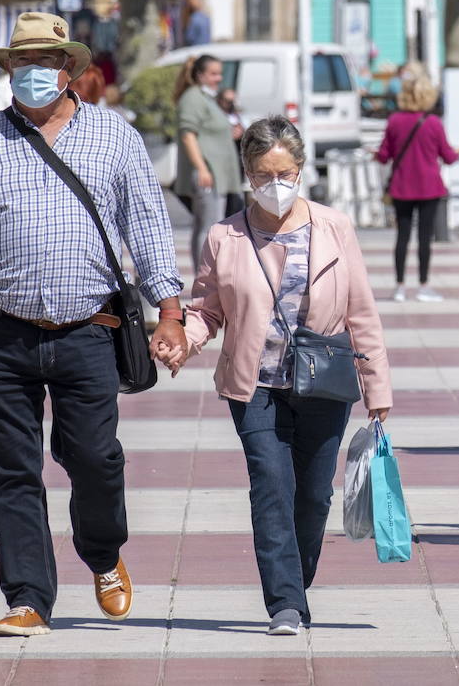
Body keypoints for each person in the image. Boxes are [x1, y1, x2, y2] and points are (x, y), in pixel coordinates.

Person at [0, 11, 186, 636]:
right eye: (22, 63)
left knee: (94, 458)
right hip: (0, 331)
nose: (34, 74)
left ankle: (103, 552)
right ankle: (28, 597)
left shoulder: (115, 138)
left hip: (91, 328)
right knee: (11, 468)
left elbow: (148, 227)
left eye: (46, 63)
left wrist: (169, 311)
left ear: (70, 71)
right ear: (10, 72)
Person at [164, 115, 392, 635]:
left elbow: (361, 310)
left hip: (325, 381)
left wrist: (378, 388)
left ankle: (296, 582)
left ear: (301, 168)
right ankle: (285, 604)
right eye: (263, 176)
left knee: (313, 497)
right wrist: (184, 340)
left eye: (285, 173)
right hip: (255, 385)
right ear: (247, 174)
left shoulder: (335, 227)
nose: (275, 185)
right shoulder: (225, 236)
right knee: (270, 484)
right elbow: (207, 309)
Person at [375, 75, 459, 302]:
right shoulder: (434, 123)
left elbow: (384, 155)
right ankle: (423, 286)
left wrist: (375, 154)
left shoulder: (395, 121)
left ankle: (399, 287)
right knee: (425, 238)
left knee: (402, 237)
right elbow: (448, 157)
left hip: (401, 186)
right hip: (429, 187)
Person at [174, 55, 243, 274]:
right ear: (200, 74)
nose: (218, 78)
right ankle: (204, 277)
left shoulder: (206, 98)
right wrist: (202, 168)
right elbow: (188, 135)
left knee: (209, 227)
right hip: (207, 173)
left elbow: (208, 131)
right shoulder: (192, 98)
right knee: (208, 228)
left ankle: (208, 275)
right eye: (213, 73)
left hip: (217, 174)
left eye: (220, 73)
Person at [216, 87, 245, 217]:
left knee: (236, 199)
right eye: (228, 101)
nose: (231, 104)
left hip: (237, 161)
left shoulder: (237, 115)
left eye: (233, 101)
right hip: (222, 162)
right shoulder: (217, 116)